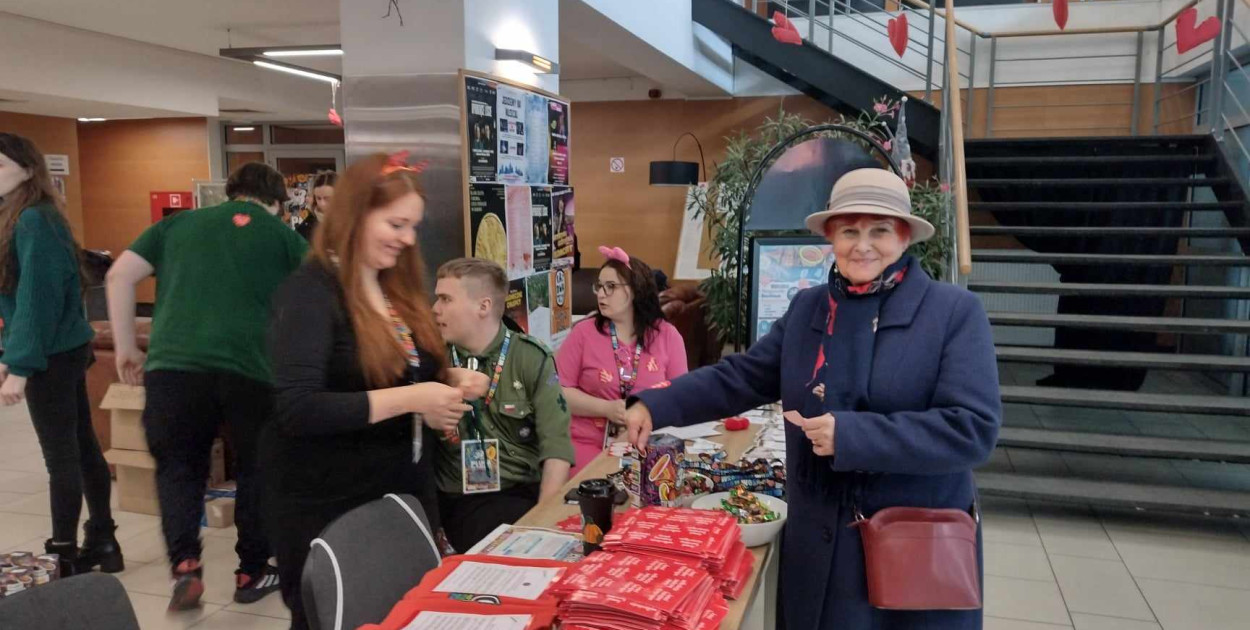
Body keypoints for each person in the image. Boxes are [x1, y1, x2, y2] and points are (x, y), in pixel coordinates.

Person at [625, 168, 1001, 630]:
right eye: (849, 231)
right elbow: (742, 376)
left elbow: (972, 429)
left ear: (904, 237)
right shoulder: (810, 309)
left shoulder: (953, 314)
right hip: (820, 541)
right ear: (831, 236)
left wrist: (852, 435)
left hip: (910, 543)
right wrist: (656, 404)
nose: (862, 245)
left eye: (879, 231)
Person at [262, 154, 489, 630]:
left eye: (413, 227)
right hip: (328, 505)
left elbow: (393, 374)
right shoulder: (309, 294)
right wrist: (415, 399)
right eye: (396, 224)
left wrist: (447, 382)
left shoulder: (393, 289)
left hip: (401, 494)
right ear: (355, 215)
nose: (408, 239)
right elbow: (299, 408)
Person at [106, 162, 305, 611]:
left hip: (173, 367)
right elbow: (313, 298)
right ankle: (252, 571)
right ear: (276, 203)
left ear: (231, 193)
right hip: (251, 371)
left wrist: (125, 349)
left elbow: (119, 276)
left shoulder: (177, 225)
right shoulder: (282, 236)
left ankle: (185, 566)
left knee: (179, 467)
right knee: (258, 467)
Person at [0, 133, 122, 578]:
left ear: (29, 170)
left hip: (53, 353)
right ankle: (103, 540)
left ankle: (63, 552)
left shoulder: (33, 219)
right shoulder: (26, 216)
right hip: (63, 348)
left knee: (61, 456)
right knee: (82, 447)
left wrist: (20, 366)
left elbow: (38, 298)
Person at [431, 258, 575, 552]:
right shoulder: (431, 361)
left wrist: (542, 522)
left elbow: (556, 446)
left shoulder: (530, 358)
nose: (435, 309)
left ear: (483, 307)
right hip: (456, 500)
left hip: (519, 493)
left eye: (445, 299)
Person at [556, 246, 687, 474]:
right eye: (599, 286)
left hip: (649, 442)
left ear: (636, 291)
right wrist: (606, 408)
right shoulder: (583, 333)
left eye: (611, 287)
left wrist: (639, 424)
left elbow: (681, 398)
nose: (600, 294)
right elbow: (558, 393)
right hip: (586, 443)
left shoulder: (667, 335)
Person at [295, 171, 337, 241]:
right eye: (318, 198)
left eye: (327, 199)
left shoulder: (352, 223)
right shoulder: (306, 227)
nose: (322, 203)